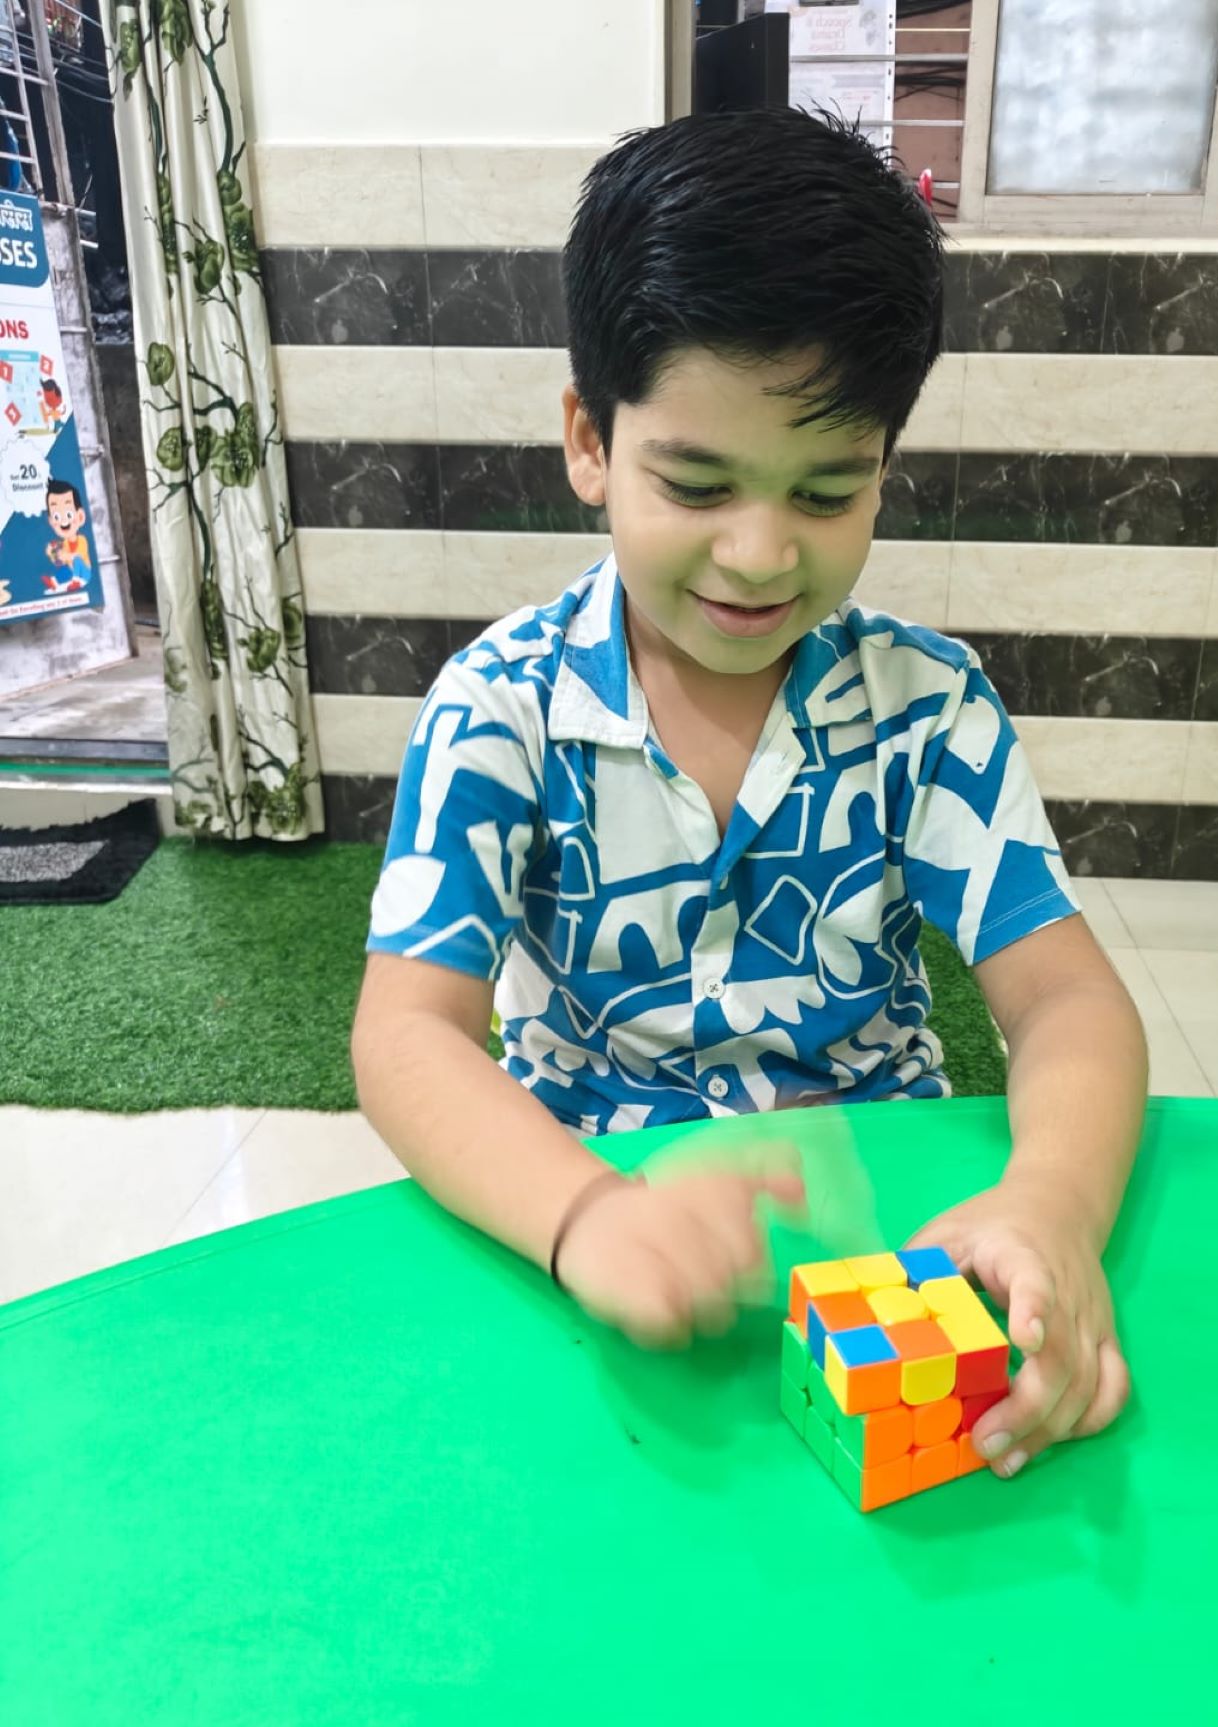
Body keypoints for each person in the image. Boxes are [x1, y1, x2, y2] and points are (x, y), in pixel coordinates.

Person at [353, 110, 1147, 1478]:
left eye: (827, 492)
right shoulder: (500, 709)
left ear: (885, 467)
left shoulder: (927, 707)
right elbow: (407, 1034)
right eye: (699, 483)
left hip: (884, 1227)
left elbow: (1068, 1001)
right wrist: (584, 1217)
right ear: (590, 441)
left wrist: (1052, 1203)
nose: (761, 553)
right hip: (588, 1226)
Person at [41, 477, 91, 593]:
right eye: (56, 517)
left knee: (77, 559)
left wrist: (67, 556)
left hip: (84, 572)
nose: (64, 521)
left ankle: (76, 581)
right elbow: (60, 562)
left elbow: (79, 555)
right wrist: (52, 554)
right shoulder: (64, 543)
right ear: (51, 521)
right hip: (71, 571)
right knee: (64, 568)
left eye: (69, 515)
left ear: (80, 516)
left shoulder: (82, 540)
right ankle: (53, 582)